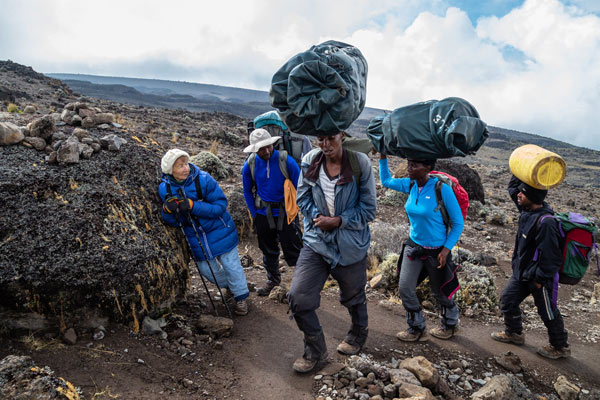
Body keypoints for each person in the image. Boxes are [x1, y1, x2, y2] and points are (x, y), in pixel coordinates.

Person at [287, 132, 377, 373]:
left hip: (350, 244)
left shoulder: (359, 163)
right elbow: (302, 198)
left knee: (353, 295)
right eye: (320, 139)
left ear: (343, 136)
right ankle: (316, 352)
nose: (325, 145)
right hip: (317, 242)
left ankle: (357, 335)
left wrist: (338, 220)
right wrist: (317, 217)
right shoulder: (309, 161)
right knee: (298, 297)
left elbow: (369, 210)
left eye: (331, 138)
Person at [379, 154, 464, 341]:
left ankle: (450, 324)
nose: (409, 168)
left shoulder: (441, 190)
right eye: (409, 163)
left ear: (427, 167)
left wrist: (446, 249)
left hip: (437, 251)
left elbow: (458, 223)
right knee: (405, 288)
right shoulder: (409, 185)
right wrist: (383, 156)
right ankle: (417, 329)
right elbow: (385, 180)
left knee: (439, 291)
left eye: (414, 164)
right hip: (414, 247)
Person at [158, 149, 250, 316]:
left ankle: (240, 297)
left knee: (232, 265)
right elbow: (174, 222)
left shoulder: (204, 179)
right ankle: (231, 287)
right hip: (196, 238)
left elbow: (220, 206)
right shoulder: (165, 190)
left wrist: (193, 206)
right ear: (170, 170)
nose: (186, 168)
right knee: (208, 271)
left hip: (221, 230)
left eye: (186, 163)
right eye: (180, 166)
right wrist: (167, 210)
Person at [491, 176, 569, 359]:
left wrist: (540, 279)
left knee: (547, 311)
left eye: (523, 192)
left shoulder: (546, 222)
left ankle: (560, 346)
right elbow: (513, 189)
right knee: (507, 300)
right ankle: (514, 333)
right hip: (522, 273)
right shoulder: (526, 209)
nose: (518, 194)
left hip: (538, 278)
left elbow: (551, 258)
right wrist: (521, 171)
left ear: (533, 197)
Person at [242, 128, 303, 296]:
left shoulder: (286, 160)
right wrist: (254, 213)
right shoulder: (250, 165)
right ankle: (273, 280)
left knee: (294, 249)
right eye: (261, 148)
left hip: (287, 213)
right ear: (254, 149)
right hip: (263, 214)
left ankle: (301, 285)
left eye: (269, 146)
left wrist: (298, 209)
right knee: (268, 249)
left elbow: (301, 186)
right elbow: (247, 190)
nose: (267, 150)